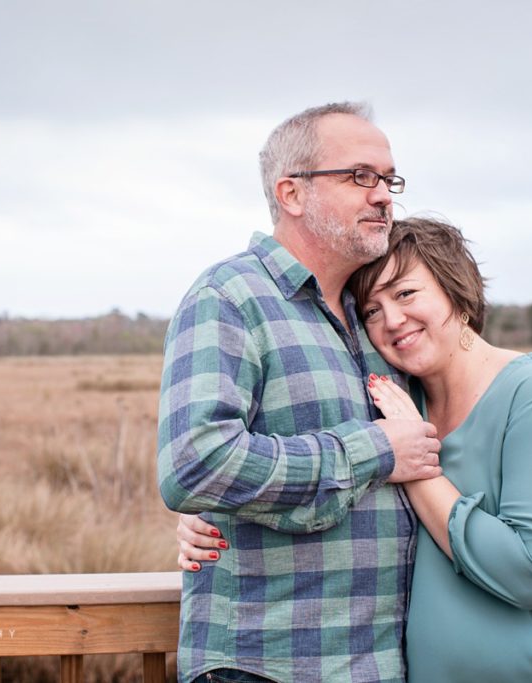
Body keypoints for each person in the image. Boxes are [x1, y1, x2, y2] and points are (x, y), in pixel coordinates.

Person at [179, 217, 532, 681]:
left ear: (456, 289)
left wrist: (417, 465)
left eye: (406, 293)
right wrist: (216, 513)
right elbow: (315, 476)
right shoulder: (399, 405)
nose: (392, 320)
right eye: (371, 311)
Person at [157, 102, 443, 683]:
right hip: (269, 665)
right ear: (291, 193)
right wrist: (374, 451)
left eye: (389, 179)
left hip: (381, 664)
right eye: (361, 176)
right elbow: (195, 464)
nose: (384, 195)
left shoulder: (378, 316)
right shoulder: (229, 297)